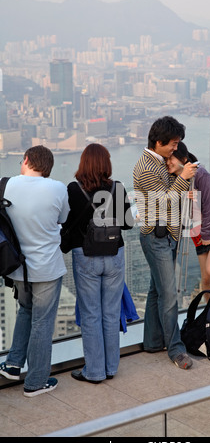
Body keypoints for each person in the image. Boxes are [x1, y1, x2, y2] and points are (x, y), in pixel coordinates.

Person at [0, 145, 70, 397]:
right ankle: (36, 381)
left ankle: (13, 363)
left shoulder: (7, 185)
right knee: (42, 322)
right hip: (47, 267)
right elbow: (63, 218)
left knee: (25, 311)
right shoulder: (58, 188)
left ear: (27, 160)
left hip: (17, 266)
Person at [62, 143, 134, 384]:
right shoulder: (117, 187)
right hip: (115, 254)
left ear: (83, 163)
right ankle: (111, 368)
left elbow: (66, 224)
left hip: (86, 256)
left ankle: (94, 371)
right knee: (111, 314)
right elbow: (127, 224)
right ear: (106, 163)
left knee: (91, 315)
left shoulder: (73, 189)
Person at [133, 116, 196, 369]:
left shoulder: (159, 163)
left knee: (156, 291)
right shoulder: (147, 168)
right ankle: (176, 350)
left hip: (168, 236)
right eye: (172, 143)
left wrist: (178, 173)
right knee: (169, 296)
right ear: (159, 142)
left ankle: (152, 341)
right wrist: (183, 176)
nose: (175, 148)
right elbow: (165, 201)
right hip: (156, 238)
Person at [166, 141, 210, 328]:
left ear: (183, 158)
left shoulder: (201, 175)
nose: (168, 163)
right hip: (200, 230)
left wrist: (205, 234)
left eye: (170, 159)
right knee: (205, 278)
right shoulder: (176, 179)